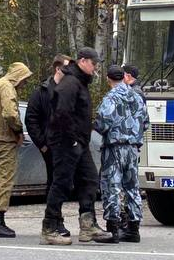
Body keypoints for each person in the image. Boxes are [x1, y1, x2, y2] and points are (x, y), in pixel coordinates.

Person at [41, 47, 114, 245]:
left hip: (79, 142)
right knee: (62, 183)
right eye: (93, 63)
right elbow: (61, 113)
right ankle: (49, 227)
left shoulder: (79, 81)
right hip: (66, 141)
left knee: (90, 179)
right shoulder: (70, 82)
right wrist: (71, 138)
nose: (95, 67)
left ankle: (88, 225)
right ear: (82, 61)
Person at [95, 65, 148, 242]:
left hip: (115, 147)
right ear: (124, 77)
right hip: (133, 148)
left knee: (112, 186)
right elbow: (146, 122)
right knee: (132, 187)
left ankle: (113, 229)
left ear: (108, 78)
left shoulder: (111, 98)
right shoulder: (137, 96)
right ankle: (134, 229)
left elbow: (103, 122)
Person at [24, 54, 71, 237]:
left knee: (65, 183)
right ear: (58, 69)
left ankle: (57, 220)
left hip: (67, 145)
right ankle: (54, 221)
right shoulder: (41, 92)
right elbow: (31, 119)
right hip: (51, 146)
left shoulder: (70, 89)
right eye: (67, 69)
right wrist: (42, 144)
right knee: (55, 183)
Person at [0, 61, 33, 238]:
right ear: (18, 76)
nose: (25, 83)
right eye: (24, 79)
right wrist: (18, 130)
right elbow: (10, 113)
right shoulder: (7, 88)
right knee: (4, 180)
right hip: (5, 139)